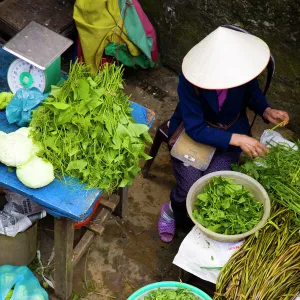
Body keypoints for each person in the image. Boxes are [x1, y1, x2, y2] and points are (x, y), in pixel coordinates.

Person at [158, 26, 290, 243]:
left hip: (232, 128)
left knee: (216, 182)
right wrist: (237, 139)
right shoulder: (191, 79)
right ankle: (171, 209)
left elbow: (252, 93)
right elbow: (195, 128)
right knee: (190, 184)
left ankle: (197, 221)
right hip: (194, 133)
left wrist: (267, 110)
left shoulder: (242, 72)